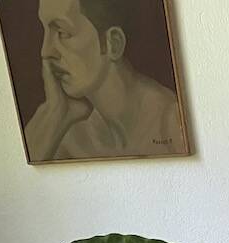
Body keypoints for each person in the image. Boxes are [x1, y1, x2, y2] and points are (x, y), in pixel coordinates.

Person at [24, 0, 183, 161]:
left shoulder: (173, 125)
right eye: (45, 31)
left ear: (113, 43)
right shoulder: (71, 135)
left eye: (63, 32)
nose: (46, 51)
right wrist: (54, 112)